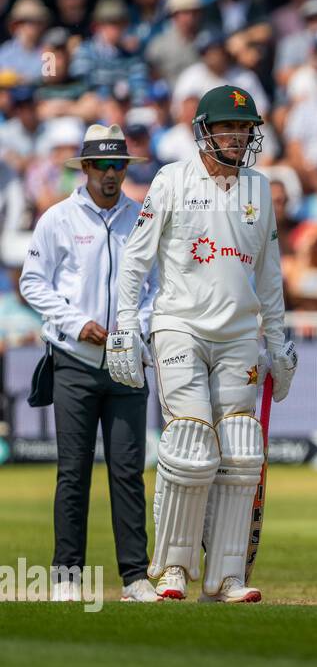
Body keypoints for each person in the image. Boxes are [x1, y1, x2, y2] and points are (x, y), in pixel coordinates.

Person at [110, 84, 298, 603]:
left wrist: (279, 344)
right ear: (204, 131)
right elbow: (136, 258)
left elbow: (270, 275)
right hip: (180, 326)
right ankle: (172, 570)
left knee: (240, 451)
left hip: (239, 333)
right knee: (191, 445)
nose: (239, 137)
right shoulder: (172, 180)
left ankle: (225, 577)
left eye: (245, 129)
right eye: (229, 128)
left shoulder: (260, 188)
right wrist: (126, 324)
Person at [18, 124, 159, 603]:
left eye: (119, 165)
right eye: (103, 165)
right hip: (74, 362)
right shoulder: (58, 218)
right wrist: (78, 324)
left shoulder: (140, 217)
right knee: (73, 471)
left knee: (127, 470)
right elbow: (33, 282)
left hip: (126, 363)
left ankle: (136, 576)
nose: (112, 174)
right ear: (85, 169)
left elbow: (157, 288)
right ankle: (66, 576)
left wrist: (132, 326)